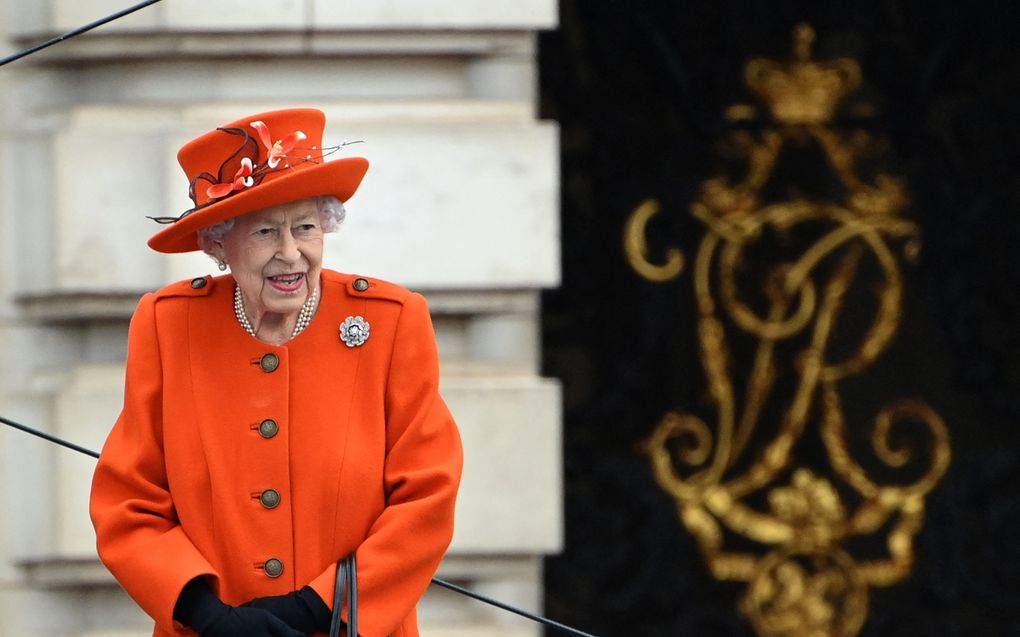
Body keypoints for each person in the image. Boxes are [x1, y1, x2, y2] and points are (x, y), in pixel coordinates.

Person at [89, 108, 463, 637]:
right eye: (265, 232)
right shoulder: (169, 325)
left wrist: (316, 608)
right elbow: (127, 504)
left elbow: (427, 497)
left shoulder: (391, 322)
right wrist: (205, 613)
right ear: (217, 243)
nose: (291, 254)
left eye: (306, 227)